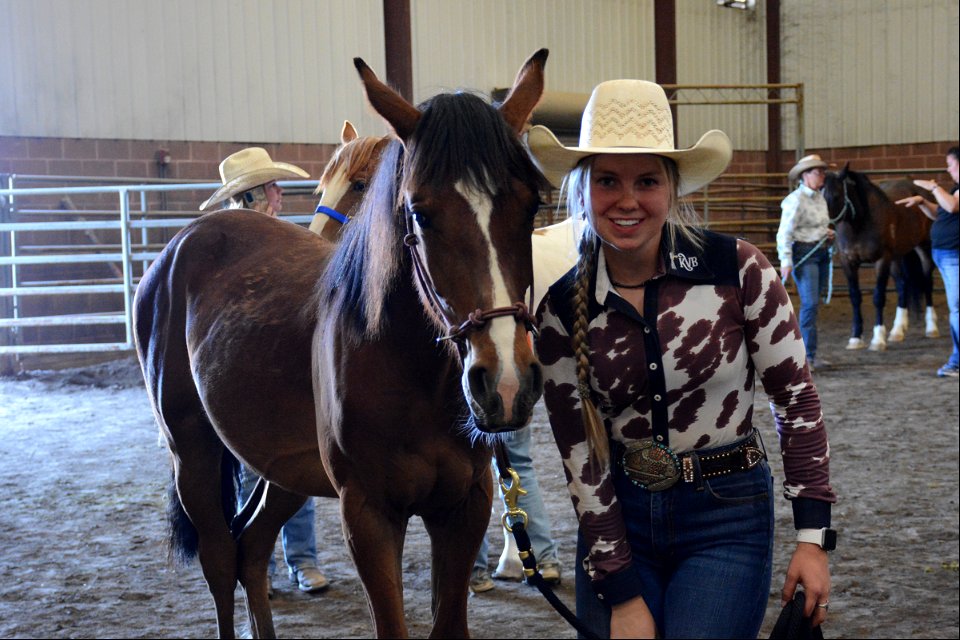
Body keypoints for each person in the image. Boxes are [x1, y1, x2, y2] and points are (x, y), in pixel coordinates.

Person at [526, 79, 836, 638]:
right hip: (619, 522)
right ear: (582, 189)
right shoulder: (556, 312)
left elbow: (796, 400)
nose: (627, 199)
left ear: (671, 187)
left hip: (728, 516)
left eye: (646, 180)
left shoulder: (740, 271)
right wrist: (621, 593)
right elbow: (582, 458)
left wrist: (812, 539)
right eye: (607, 181)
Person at [200, 147, 329, 595]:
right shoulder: (233, 249)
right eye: (271, 187)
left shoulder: (290, 240)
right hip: (252, 378)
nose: (279, 193)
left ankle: (298, 561)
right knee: (255, 475)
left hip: (288, 372)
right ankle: (274, 565)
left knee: (297, 472)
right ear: (253, 195)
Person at [469, 426, 562, 593]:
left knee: (470, 468)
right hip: (511, 405)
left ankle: (474, 571)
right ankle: (544, 561)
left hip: (468, 405)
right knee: (518, 465)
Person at [896, 146, 960, 378]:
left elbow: (952, 206)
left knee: (957, 309)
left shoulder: (955, 193)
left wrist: (933, 187)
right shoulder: (954, 190)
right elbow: (942, 212)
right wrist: (923, 202)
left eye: (950, 164)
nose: (948, 168)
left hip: (954, 256)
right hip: (947, 256)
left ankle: (957, 362)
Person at [776, 154, 836, 372]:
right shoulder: (795, 200)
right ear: (806, 175)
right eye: (818, 172)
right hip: (805, 253)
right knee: (810, 304)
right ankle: (804, 358)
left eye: (822, 171)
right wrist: (786, 260)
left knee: (813, 305)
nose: (822, 175)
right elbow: (785, 233)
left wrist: (826, 233)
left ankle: (810, 355)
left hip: (820, 252)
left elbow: (818, 225)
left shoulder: (820, 198)